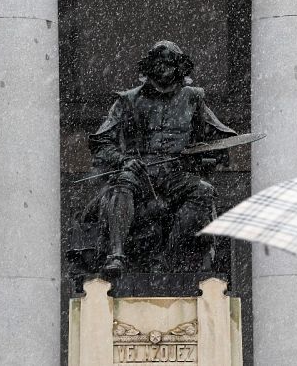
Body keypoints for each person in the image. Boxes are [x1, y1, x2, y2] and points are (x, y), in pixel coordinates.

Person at [88, 40, 236, 275]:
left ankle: (167, 258)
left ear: (180, 67)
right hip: (139, 170)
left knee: (204, 191)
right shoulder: (128, 100)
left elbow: (219, 136)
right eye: (158, 62)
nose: (164, 67)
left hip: (176, 174)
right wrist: (123, 160)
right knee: (122, 183)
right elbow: (101, 141)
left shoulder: (193, 99)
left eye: (169, 62)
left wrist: (210, 155)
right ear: (148, 66)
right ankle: (116, 255)